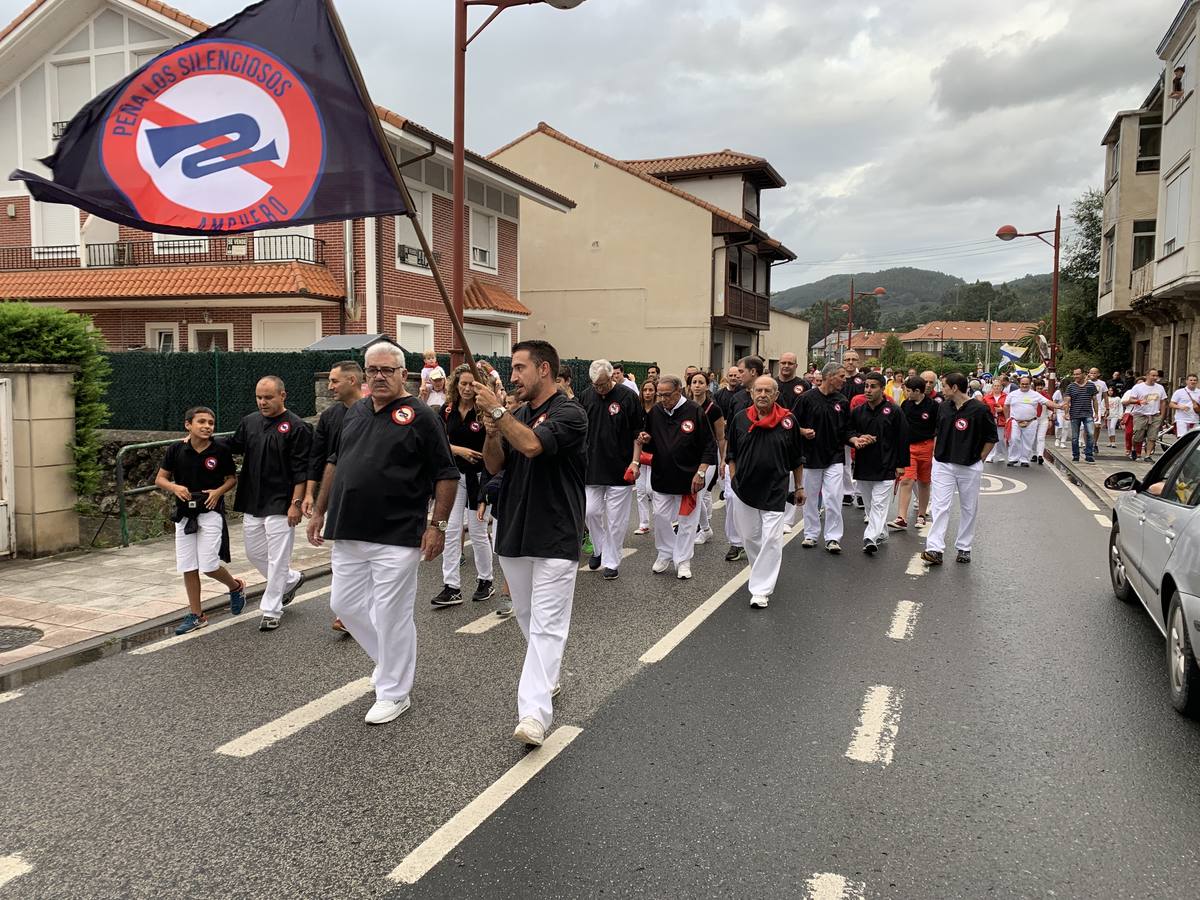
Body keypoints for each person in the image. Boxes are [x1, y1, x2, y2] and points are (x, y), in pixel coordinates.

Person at [308, 344, 459, 725]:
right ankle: (391, 662)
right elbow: (335, 463)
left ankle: (394, 691)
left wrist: (436, 526)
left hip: (398, 532)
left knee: (392, 613)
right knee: (344, 605)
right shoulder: (353, 412)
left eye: (387, 370)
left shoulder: (422, 417)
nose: (379, 376)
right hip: (348, 527)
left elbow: (446, 474)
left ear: (403, 374)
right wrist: (320, 509)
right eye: (372, 370)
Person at [474, 340, 588, 747]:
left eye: (520, 367)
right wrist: (491, 430)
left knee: (547, 625)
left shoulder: (570, 412)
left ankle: (533, 715)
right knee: (526, 615)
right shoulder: (518, 414)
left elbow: (532, 445)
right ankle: (548, 677)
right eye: (512, 367)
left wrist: (499, 413)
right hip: (515, 529)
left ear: (544, 370)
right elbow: (495, 463)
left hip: (556, 532)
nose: (513, 375)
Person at [225, 376, 311, 632]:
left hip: (282, 502)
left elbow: (301, 470)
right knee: (255, 553)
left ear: (282, 396)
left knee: (277, 559)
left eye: (268, 397)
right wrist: (199, 440)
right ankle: (291, 580)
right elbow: (232, 446)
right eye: (259, 397)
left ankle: (272, 609)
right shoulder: (249, 422)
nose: (263, 402)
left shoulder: (297, 427)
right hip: (253, 499)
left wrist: (296, 503)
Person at [155, 406, 245, 634]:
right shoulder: (176, 449)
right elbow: (160, 479)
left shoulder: (220, 449)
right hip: (184, 515)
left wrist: (218, 492)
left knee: (209, 565)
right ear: (188, 425)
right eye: (201, 422)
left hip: (210, 512)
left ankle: (235, 587)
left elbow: (231, 478)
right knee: (188, 566)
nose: (207, 426)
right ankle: (197, 615)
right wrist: (174, 487)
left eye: (210, 423)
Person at [725, 376, 805, 608]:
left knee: (771, 539)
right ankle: (761, 570)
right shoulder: (740, 419)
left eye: (767, 391)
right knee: (750, 537)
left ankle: (760, 590)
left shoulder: (788, 421)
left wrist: (799, 486)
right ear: (751, 394)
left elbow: (796, 458)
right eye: (758, 390)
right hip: (744, 488)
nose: (762, 394)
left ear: (776, 395)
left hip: (775, 488)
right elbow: (732, 454)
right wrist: (732, 478)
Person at [304, 360, 364, 632]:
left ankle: (360, 612)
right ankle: (346, 612)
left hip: (370, 499)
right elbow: (321, 459)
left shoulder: (374, 412)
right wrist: (313, 502)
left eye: (334, 381)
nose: (329, 387)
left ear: (352, 381)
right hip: (338, 497)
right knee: (344, 558)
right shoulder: (329, 418)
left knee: (370, 560)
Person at [637, 375, 716, 579]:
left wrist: (701, 472)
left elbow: (709, 445)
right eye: (660, 395)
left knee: (687, 522)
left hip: (689, 479)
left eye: (667, 395)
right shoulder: (655, 412)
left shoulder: (694, 411)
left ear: (679, 391)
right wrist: (645, 440)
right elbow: (652, 444)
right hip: (662, 475)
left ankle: (683, 561)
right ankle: (665, 552)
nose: (663, 399)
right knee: (661, 517)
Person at [431, 364, 496, 607]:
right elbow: (436, 443)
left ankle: (485, 580)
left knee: (478, 532)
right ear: (455, 385)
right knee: (450, 529)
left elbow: (494, 446)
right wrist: (457, 450)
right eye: (463, 384)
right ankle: (451, 586)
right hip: (453, 477)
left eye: (471, 384)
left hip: (479, 477)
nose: (467, 388)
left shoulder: (484, 412)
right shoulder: (446, 411)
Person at [921, 373, 998, 566]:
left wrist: (979, 459)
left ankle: (964, 547)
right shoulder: (943, 407)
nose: (942, 389)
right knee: (940, 506)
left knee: (968, 507)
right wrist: (936, 455)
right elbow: (938, 431)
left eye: (945, 386)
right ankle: (934, 549)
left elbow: (991, 437)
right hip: (943, 463)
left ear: (955, 388)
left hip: (969, 465)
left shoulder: (980, 409)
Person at [579, 359, 644, 580]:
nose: (600, 389)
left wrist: (635, 462)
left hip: (620, 467)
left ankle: (612, 561)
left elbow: (638, 433)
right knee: (590, 511)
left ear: (613, 378)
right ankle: (598, 548)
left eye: (604, 384)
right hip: (592, 467)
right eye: (596, 385)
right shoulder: (586, 396)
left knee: (616, 520)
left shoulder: (628, 397)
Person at [849, 372, 909, 553]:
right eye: (866, 386)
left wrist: (901, 464)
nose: (868, 390)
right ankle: (881, 532)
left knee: (879, 504)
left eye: (873, 386)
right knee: (869, 505)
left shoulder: (894, 411)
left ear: (882, 389)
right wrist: (857, 438)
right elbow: (847, 432)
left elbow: (903, 438)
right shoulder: (858, 411)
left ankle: (870, 537)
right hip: (864, 465)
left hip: (887, 465)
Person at [794, 362, 850, 553]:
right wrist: (802, 431)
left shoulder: (842, 401)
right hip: (810, 456)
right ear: (830, 376)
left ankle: (833, 537)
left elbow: (846, 429)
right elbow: (793, 424)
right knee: (810, 498)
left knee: (834, 497)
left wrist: (854, 439)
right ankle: (810, 534)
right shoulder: (806, 399)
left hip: (834, 456)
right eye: (841, 376)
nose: (844, 380)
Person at [891, 375, 937, 530]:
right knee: (906, 480)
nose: (907, 393)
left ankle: (921, 515)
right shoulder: (905, 404)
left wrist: (935, 449)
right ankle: (901, 517)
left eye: (909, 391)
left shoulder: (933, 406)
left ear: (918, 391)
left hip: (927, 447)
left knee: (924, 482)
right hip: (909, 448)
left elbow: (938, 429)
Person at [687, 371, 725, 545]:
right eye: (694, 382)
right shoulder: (685, 406)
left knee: (698, 493)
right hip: (689, 456)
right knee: (691, 493)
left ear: (707, 386)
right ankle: (704, 528)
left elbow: (720, 437)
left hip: (709, 457)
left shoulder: (714, 409)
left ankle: (704, 528)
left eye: (700, 382)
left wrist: (723, 459)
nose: (697, 385)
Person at [1003, 375, 1043, 467]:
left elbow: (1047, 402)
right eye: (1022, 384)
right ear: (1019, 384)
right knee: (1014, 438)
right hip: (1015, 421)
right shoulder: (1012, 394)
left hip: (1031, 422)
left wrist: (1058, 406)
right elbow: (1006, 405)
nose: (1024, 386)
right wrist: (1007, 418)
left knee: (1027, 441)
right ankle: (1013, 458)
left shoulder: (1035, 394)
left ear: (1030, 384)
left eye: (1026, 384)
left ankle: (1024, 459)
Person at [634, 380, 657, 535]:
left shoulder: (659, 410)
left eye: (651, 390)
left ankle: (661, 520)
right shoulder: (637, 410)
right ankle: (644, 523)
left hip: (656, 454)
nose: (648, 393)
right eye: (645, 390)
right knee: (641, 491)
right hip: (640, 454)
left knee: (651, 489)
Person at [1063, 366, 1099, 464]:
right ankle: (1076, 456)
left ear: (1083, 374)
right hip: (1075, 414)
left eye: (1078, 374)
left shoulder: (1091, 386)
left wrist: (1096, 413)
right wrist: (1066, 413)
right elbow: (1066, 401)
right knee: (1075, 436)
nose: (1076, 376)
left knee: (1091, 434)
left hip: (1088, 413)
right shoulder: (1071, 387)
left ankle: (1089, 455)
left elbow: (1095, 400)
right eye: (1074, 374)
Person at [983, 379, 1009, 464]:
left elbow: (1009, 407)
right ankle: (990, 456)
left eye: (998, 386)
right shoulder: (986, 397)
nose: (997, 387)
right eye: (995, 386)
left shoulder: (1006, 396)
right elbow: (983, 408)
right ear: (992, 387)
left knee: (1001, 439)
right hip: (990, 420)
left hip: (1002, 420)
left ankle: (1000, 454)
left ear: (1001, 387)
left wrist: (1002, 410)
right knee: (991, 438)